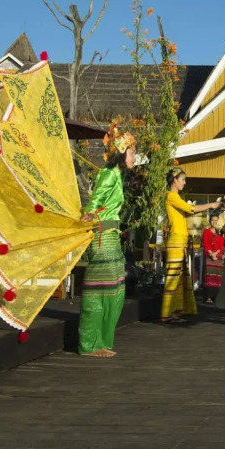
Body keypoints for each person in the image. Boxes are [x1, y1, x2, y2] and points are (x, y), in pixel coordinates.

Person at [78, 124, 137, 357]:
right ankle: (88, 345)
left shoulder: (118, 175)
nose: (135, 157)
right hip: (103, 235)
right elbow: (96, 200)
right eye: (132, 152)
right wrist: (89, 215)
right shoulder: (109, 173)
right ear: (121, 152)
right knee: (98, 289)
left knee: (115, 290)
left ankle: (102, 340)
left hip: (111, 234)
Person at [163, 168, 221, 323]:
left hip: (180, 239)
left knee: (179, 278)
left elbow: (189, 212)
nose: (184, 183)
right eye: (182, 179)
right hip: (176, 239)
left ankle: (175, 311)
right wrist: (211, 204)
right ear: (174, 180)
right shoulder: (171, 196)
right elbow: (191, 208)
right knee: (173, 278)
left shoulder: (176, 197)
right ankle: (168, 313)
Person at [201, 213, 224, 303]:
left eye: (216, 220)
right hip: (209, 257)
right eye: (212, 220)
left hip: (218, 258)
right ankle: (208, 297)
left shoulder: (220, 232)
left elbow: (221, 246)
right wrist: (211, 254)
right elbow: (205, 244)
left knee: (217, 277)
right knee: (208, 276)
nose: (214, 222)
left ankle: (216, 297)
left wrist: (216, 254)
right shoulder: (206, 231)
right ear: (210, 221)